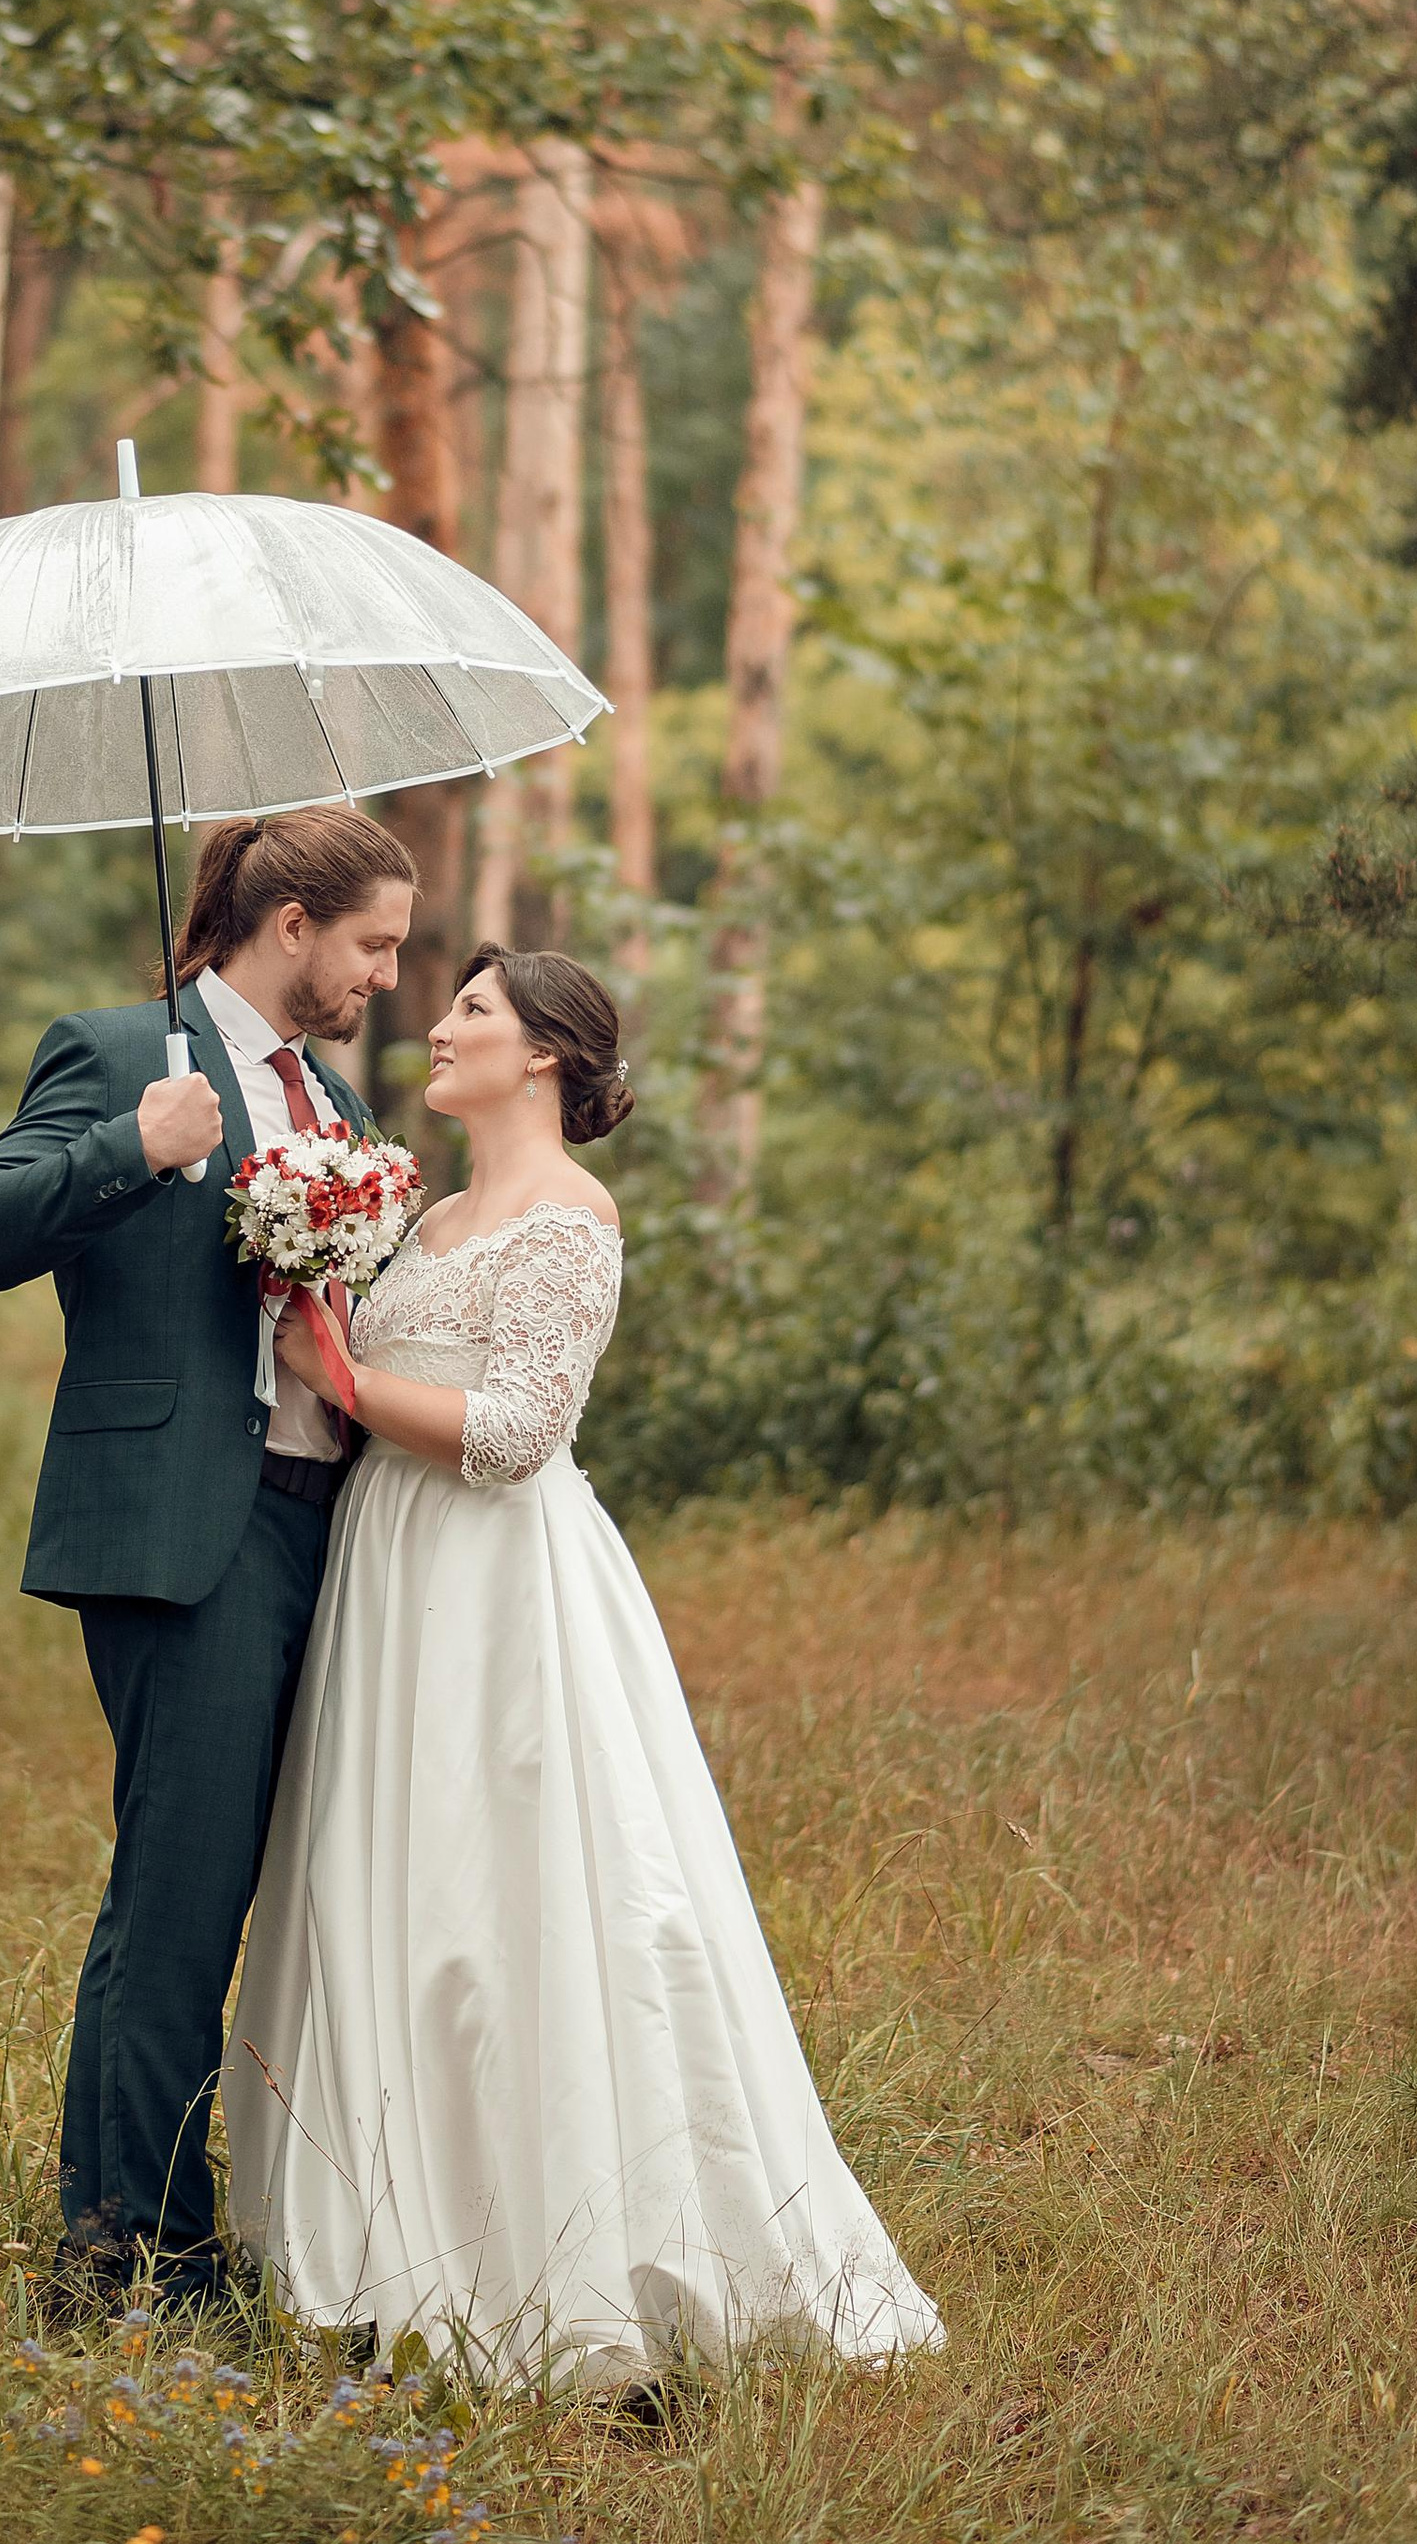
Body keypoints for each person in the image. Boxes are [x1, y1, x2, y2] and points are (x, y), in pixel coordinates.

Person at [226, 943, 943, 2390]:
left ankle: (563, 2239)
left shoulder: (569, 1215)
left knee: (516, 1886)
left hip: (502, 1585)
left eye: (473, 1011)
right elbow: (377, 1403)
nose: (435, 1025)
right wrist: (304, 1314)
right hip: (390, 1567)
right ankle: (377, 2231)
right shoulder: (420, 1220)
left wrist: (347, 1382)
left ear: (547, 1051)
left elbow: (515, 1432)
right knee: (389, 1877)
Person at [0, 805, 416, 2323]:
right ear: (292, 929)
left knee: (275, 1895)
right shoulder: (115, 1051)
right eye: (372, 945)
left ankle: (213, 2221)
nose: (385, 977)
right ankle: (129, 2255)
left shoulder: (331, 1103)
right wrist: (128, 1148)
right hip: (178, 1534)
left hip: (318, 1530)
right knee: (180, 1896)